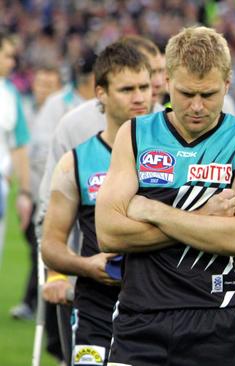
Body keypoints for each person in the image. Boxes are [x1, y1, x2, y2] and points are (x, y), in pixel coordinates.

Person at [96, 26, 235, 366]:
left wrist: (154, 210)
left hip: (213, 316)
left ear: (228, 84)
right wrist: (204, 217)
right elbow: (108, 233)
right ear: (168, 81)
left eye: (209, 94)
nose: (197, 107)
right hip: (139, 315)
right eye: (187, 93)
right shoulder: (135, 133)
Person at [40, 40, 153, 366]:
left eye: (145, 87)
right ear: (100, 92)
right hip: (96, 309)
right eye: (127, 89)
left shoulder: (173, 156)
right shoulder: (75, 162)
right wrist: (86, 266)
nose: (140, 97)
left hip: (157, 307)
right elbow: (51, 246)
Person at [10, 65, 62, 321]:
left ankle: (33, 302)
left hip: (53, 197)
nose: (44, 90)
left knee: (40, 249)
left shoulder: (64, 117)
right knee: (35, 247)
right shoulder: (26, 115)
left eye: (50, 85)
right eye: (40, 84)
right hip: (29, 193)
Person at [0, 31, 32, 273]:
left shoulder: (10, 94)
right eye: (8, 55)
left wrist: (24, 192)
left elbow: (19, 146)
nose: (12, 62)